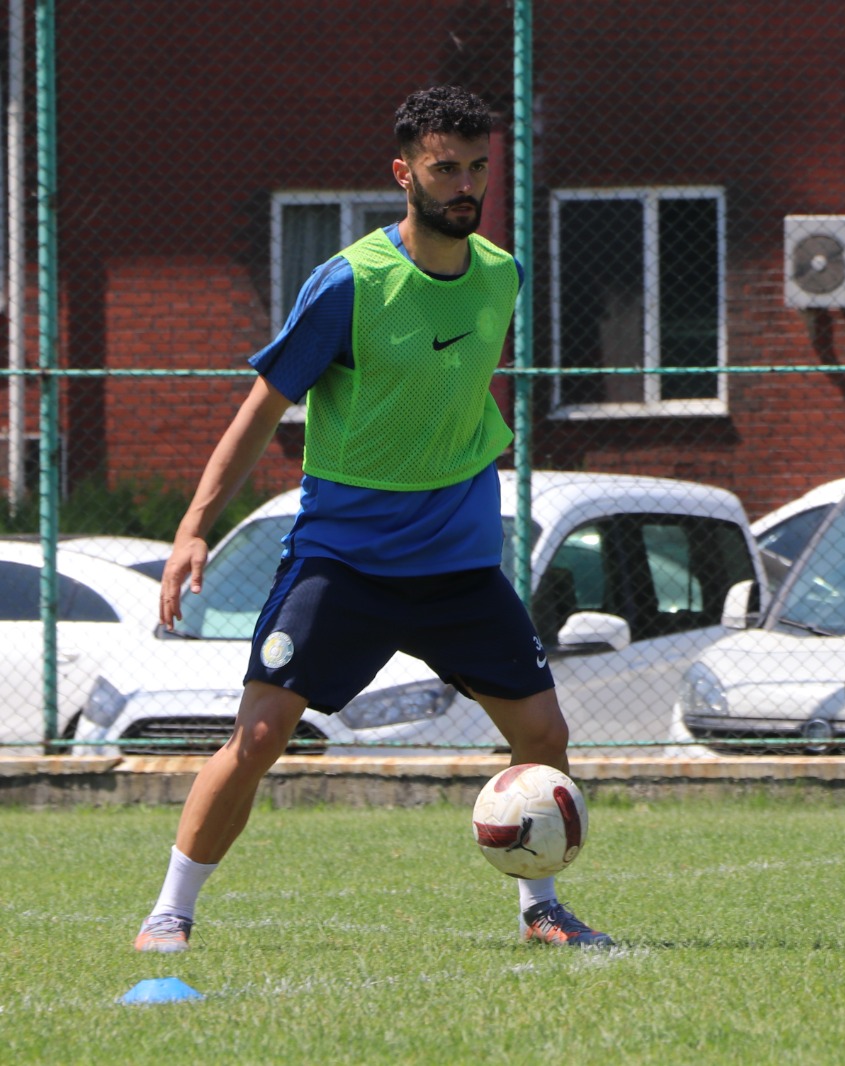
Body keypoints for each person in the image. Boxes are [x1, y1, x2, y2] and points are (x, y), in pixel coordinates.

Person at [133, 86, 612, 951]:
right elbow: (259, 408)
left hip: (458, 566)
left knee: (543, 732)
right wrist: (195, 524)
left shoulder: (501, 275)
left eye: (476, 167)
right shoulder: (350, 283)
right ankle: (171, 911)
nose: (464, 184)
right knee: (262, 731)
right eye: (445, 169)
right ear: (405, 173)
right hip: (344, 563)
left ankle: (540, 908)